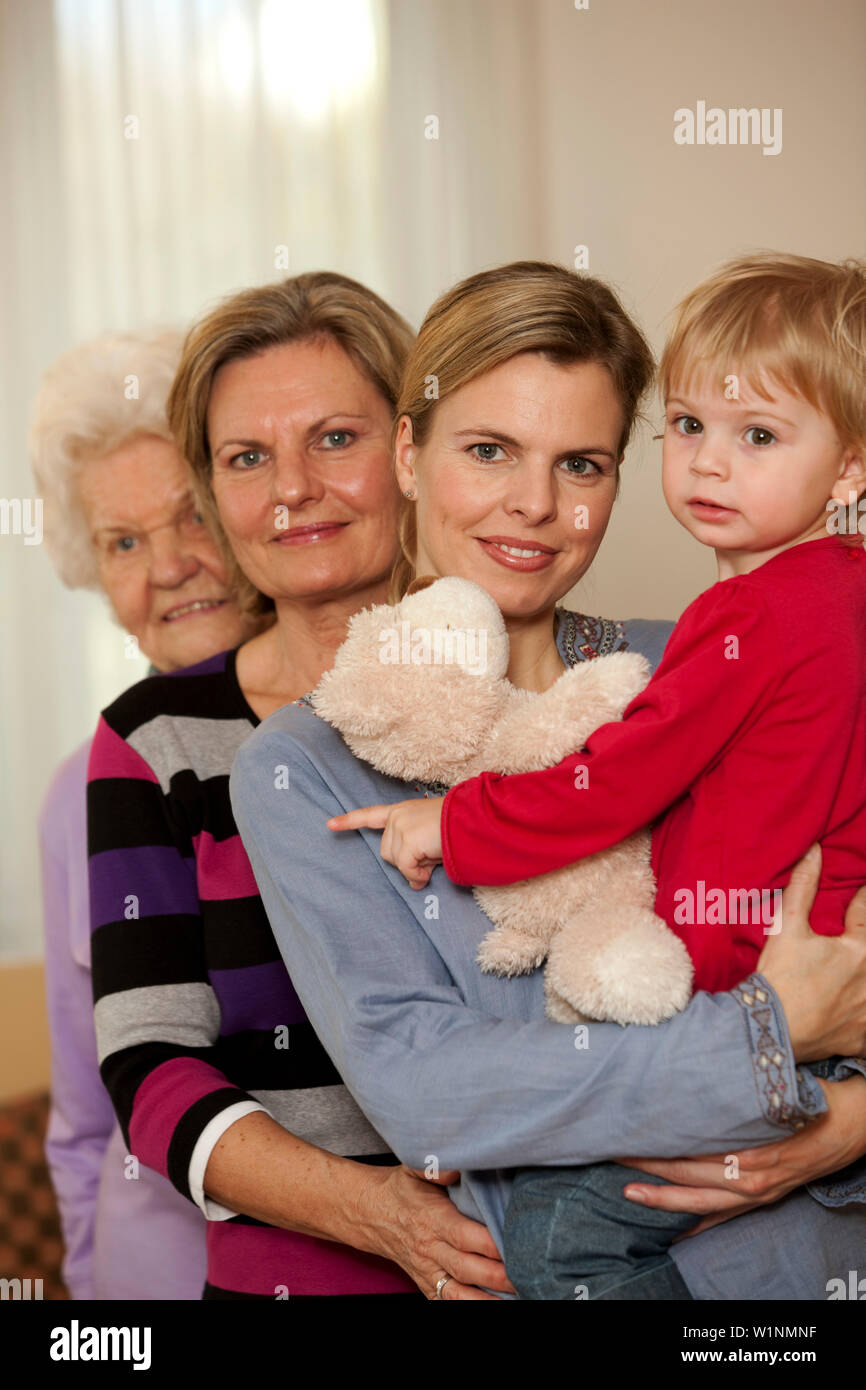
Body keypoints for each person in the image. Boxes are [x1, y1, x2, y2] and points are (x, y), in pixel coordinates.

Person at [230, 260, 866, 1302]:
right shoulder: (306, 769)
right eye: (488, 451)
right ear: (407, 449)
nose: (533, 504)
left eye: (580, 464)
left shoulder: (700, 661)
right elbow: (433, 1093)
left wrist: (847, 1121)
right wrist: (768, 1034)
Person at [86, 272, 514, 1300]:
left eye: (333, 438)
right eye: (246, 458)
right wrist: (379, 1215)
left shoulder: (536, 682)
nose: (290, 489)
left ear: (410, 449)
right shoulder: (154, 740)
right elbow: (148, 1068)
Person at [32, 328, 259, 1300]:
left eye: (191, 515)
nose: (167, 567)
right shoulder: (72, 793)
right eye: (124, 542)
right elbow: (84, 1115)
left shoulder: (364, 731)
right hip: (153, 1277)